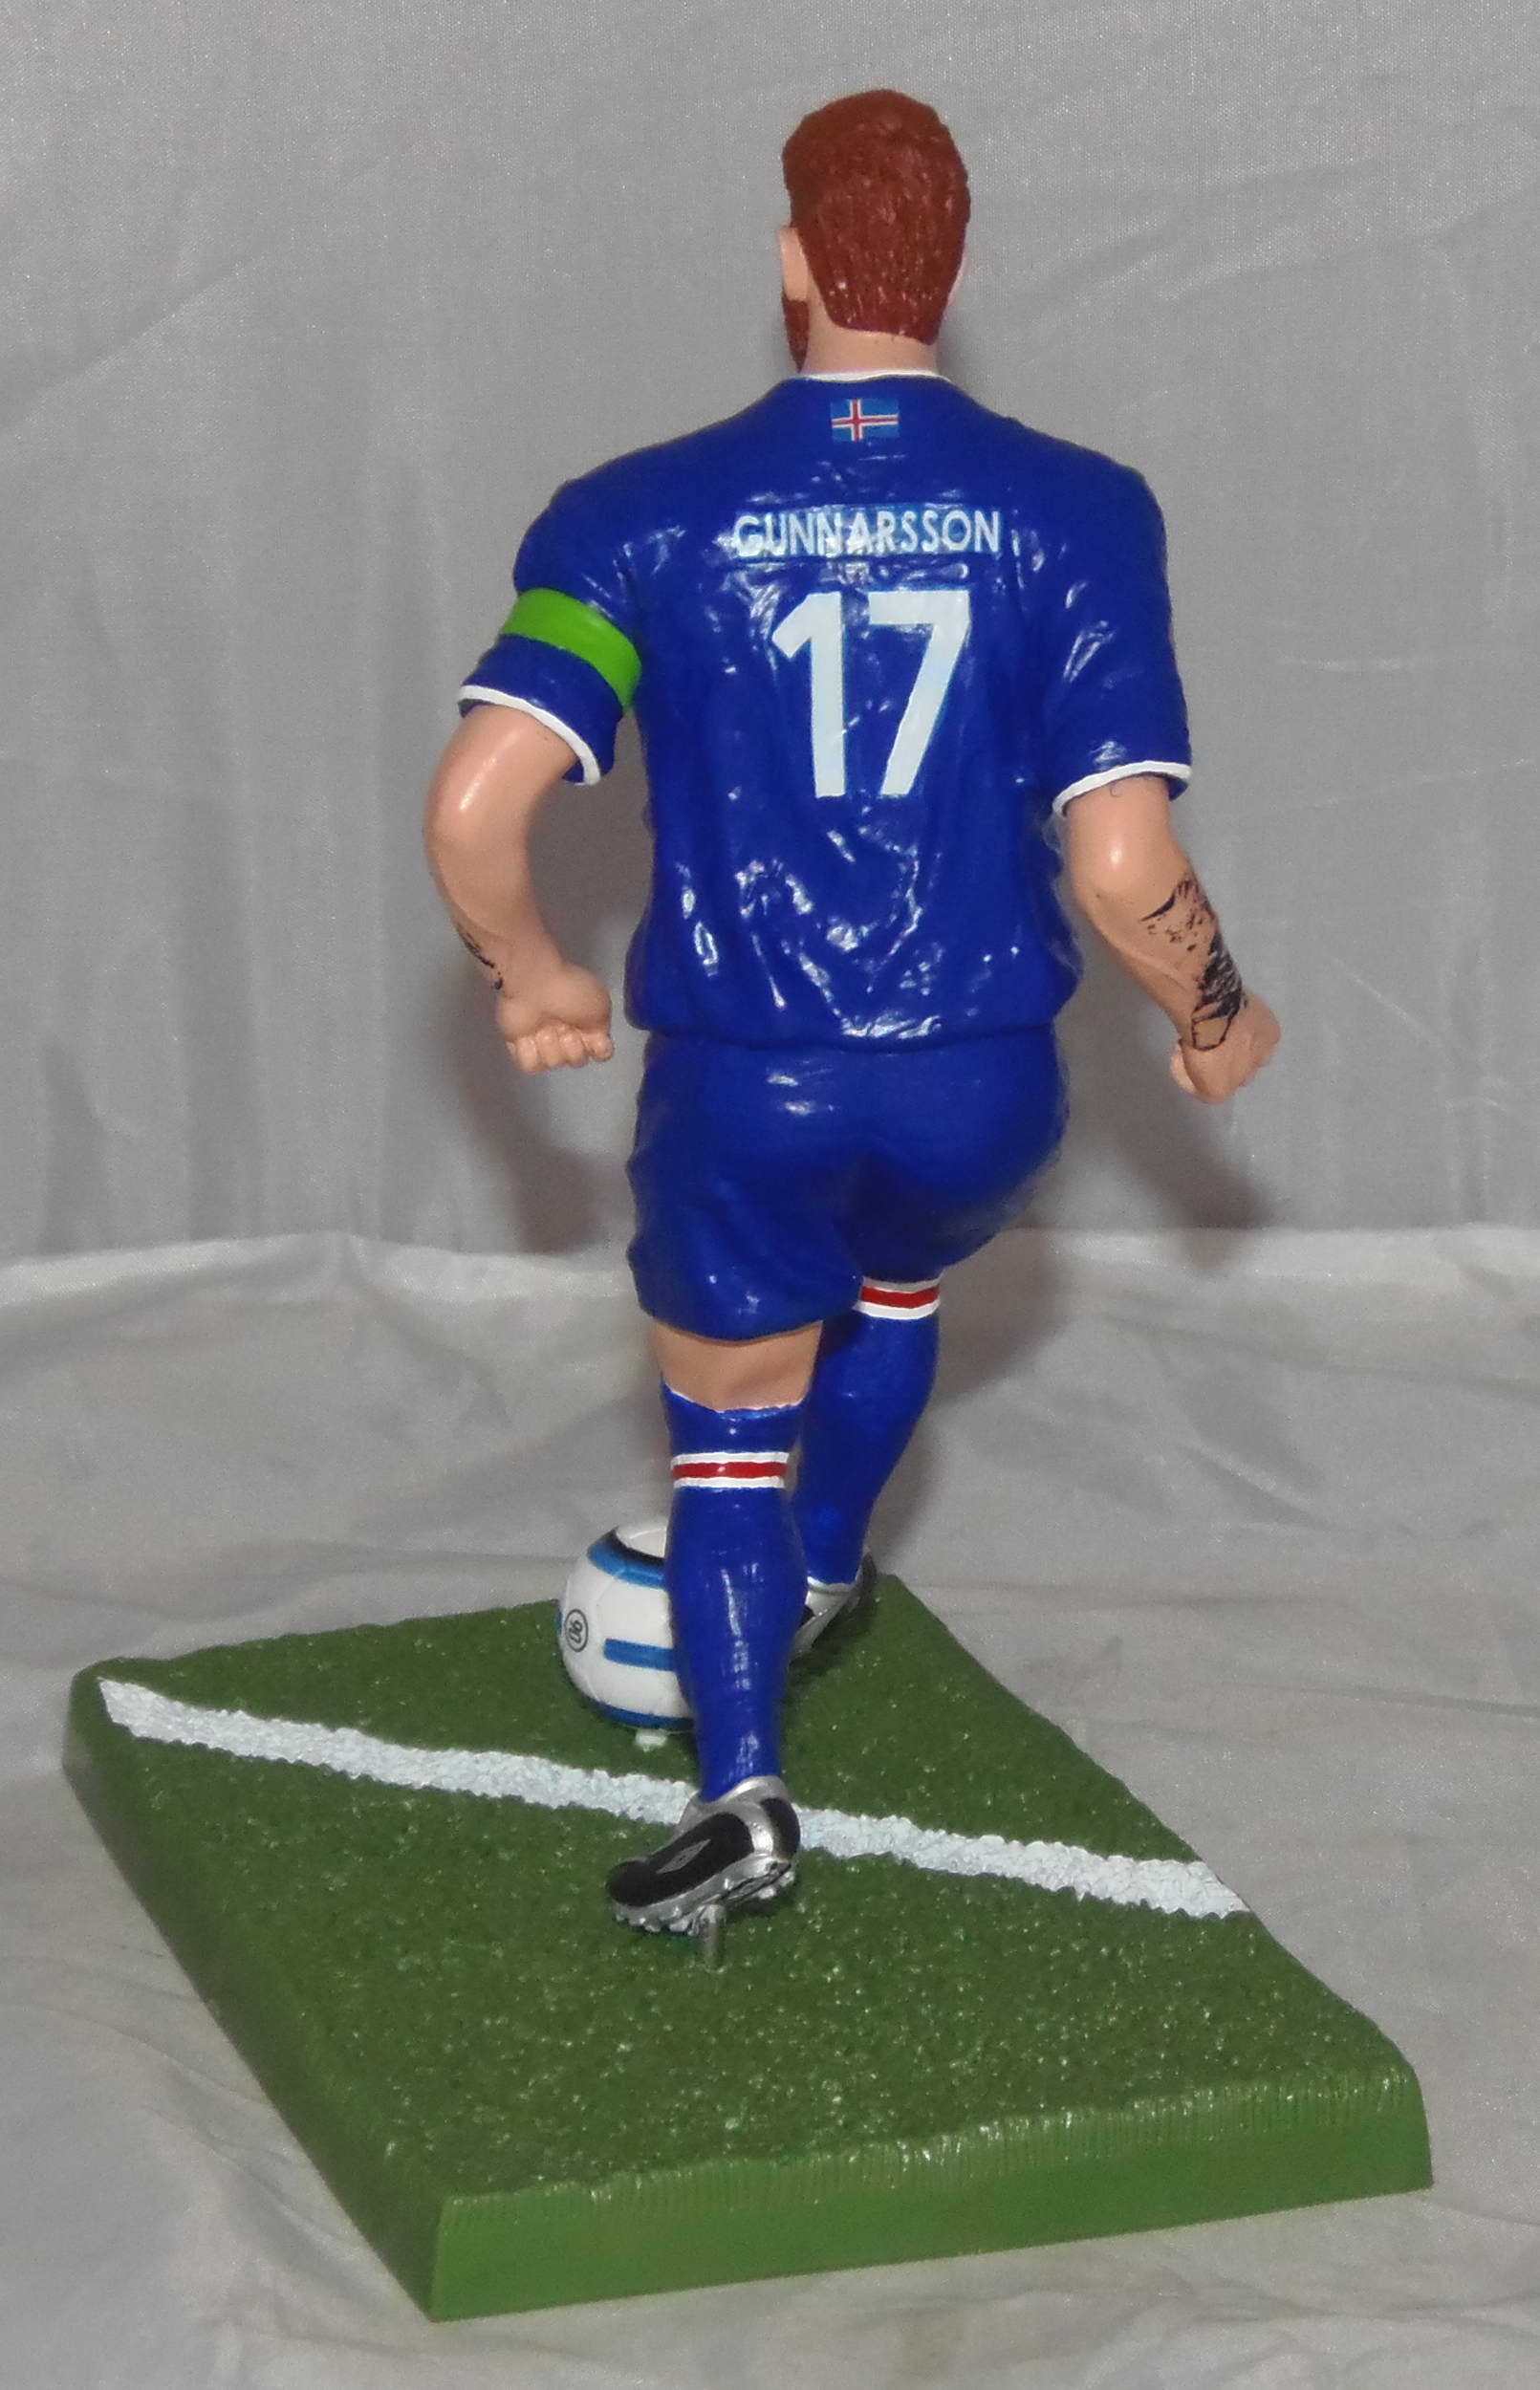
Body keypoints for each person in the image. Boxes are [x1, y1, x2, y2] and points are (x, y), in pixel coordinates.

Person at [423, 90, 1279, 1942]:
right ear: (949, 272)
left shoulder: (637, 512)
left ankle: (739, 1791)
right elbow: (1122, 855)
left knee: (725, 1431)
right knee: (898, 1291)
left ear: (792, 262)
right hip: (982, 1071)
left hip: (752, 1073)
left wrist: (532, 972)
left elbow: (479, 806)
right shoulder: (1078, 507)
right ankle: (825, 1569)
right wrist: (1214, 1010)